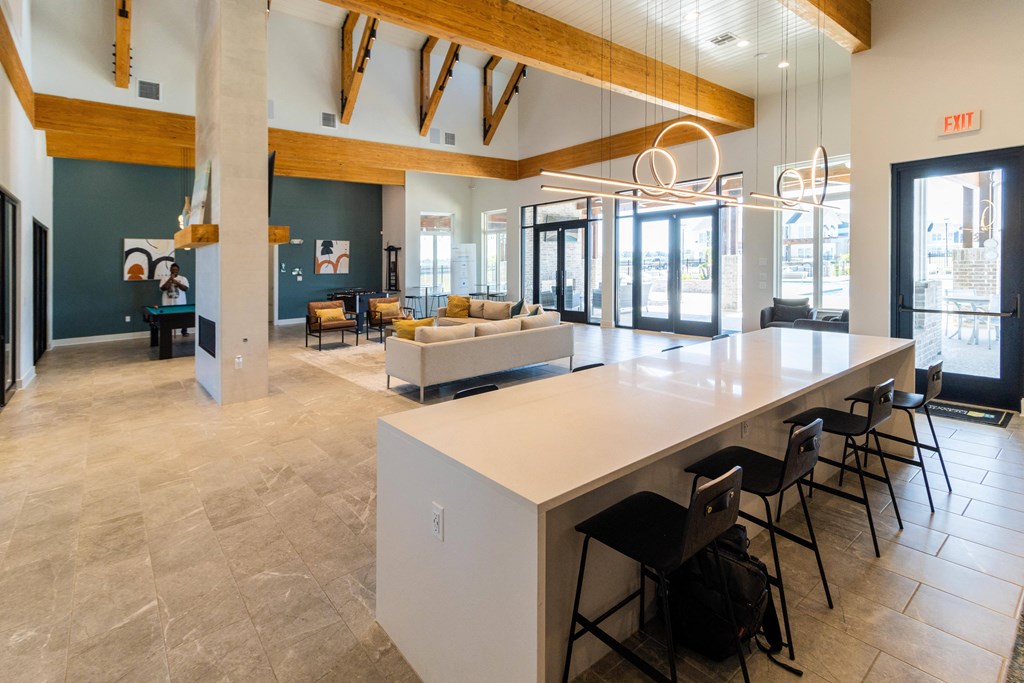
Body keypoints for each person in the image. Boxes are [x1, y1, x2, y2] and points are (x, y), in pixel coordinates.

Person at [159, 263, 191, 336]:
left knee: (182, 317)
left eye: (176, 270)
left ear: (178, 270)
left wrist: (177, 282)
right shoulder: (164, 278)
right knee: (167, 318)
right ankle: (166, 332)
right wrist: (170, 279)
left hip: (180, 302)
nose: (174, 271)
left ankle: (184, 331)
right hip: (168, 302)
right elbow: (163, 288)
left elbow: (185, 289)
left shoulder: (183, 278)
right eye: (173, 269)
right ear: (170, 270)